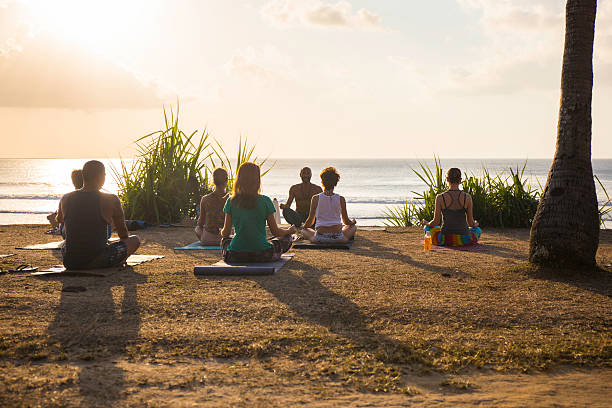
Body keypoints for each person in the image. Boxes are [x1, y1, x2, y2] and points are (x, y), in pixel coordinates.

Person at [57, 160, 140, 269]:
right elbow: (123, 234)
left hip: (70, 262)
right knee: (135, 240)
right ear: (100, 176)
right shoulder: (111, 199)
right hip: (98, 260)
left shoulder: (66, 198)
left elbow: (59, 220)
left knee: (65, 244)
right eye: (104, 175)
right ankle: (120, 260)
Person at [221, 162, 296, 263]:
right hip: (263, 254)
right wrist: (289, 231)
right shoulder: (265, 201)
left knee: (225, 240)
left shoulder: (231, 201)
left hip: (236, 255)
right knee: (287, 238)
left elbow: (225, 233)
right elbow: (276, 232)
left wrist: (221, 231)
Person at [420, 167, 481, 246]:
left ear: (447, 179)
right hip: (465, 239)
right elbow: (470, 223)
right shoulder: (467, 197)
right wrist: (475, 224)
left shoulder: (440, 197)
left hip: (445, 239)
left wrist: (427, 223)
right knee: (477, 230)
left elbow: (436, 222)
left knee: (427, 229)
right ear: (460, 180)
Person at [301, 167, 357, 244]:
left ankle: (316, 237)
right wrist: (352, 222)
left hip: (319, 237)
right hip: (338, 237)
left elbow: (310, 221)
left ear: (322, 181)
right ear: (336, 182)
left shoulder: (315, 198)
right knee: (353, 227)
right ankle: (341, 238)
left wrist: (304, 226)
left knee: (304, 230)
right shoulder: (341, 199)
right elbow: (346, 221)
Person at [195, 167, 229, 245]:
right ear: (226, 181)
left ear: (213, 181)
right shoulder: (230, 199)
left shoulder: (205, 199)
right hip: (224, 239)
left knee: (197, 228)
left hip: (207, 239)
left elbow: (201, 222)